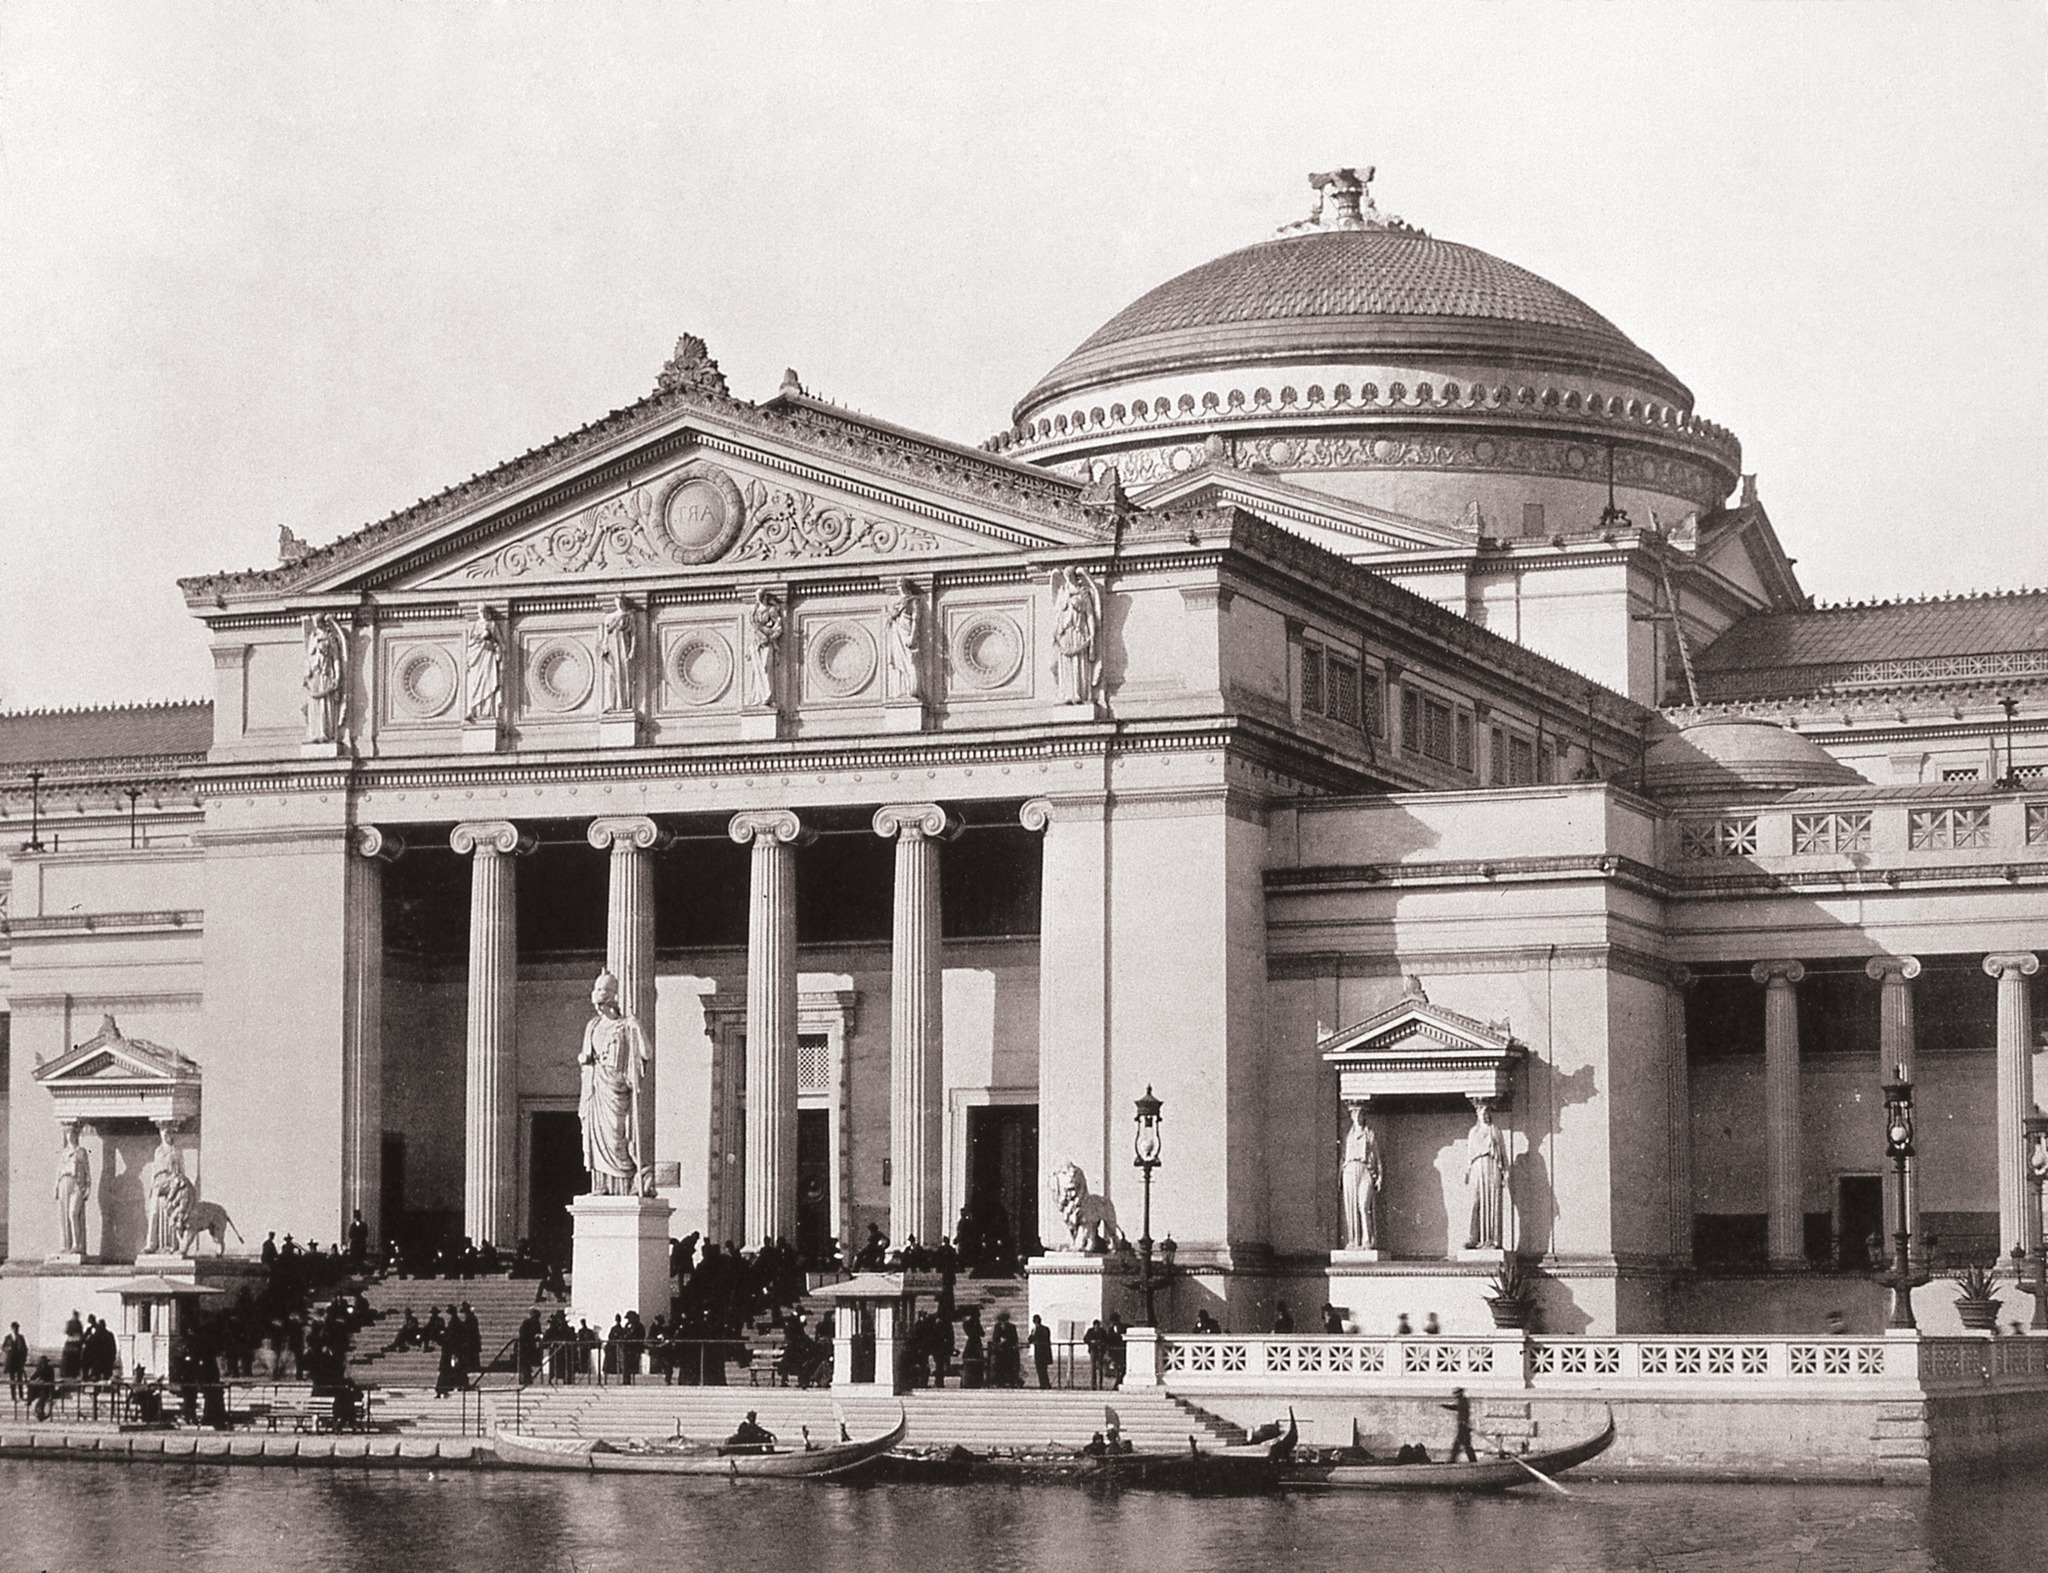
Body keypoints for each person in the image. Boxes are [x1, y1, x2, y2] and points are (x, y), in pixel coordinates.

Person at [1442, 1386, 1477, 1464]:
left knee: (1458, 1444)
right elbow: (1457, 1408)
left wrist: (1445, 1406)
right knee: (1466, 1444)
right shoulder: (1464, 1400)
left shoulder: (1463, 1401)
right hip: (1464, 1425)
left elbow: (1456, 1407)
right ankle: (1472, 1460)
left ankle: (1452, 1460)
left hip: (1463, 1426)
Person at [27, 1354, 57, 1422]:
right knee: (31, 1387)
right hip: (41, 1386)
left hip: (48, 1387)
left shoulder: (49, 1369)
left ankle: (40, 1411)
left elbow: (48, 1378)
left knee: (43, 1395)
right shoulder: (40, 1368)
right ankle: (30, 1400)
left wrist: (40, 1380)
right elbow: (34, 1375)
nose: (43, 1364)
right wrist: (34, 1380)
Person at [3, 1322, 27, 1403]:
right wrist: (8, 1349)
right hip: (11, 1361)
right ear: (11, 1328)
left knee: (20, 1379)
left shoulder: (21, 1337)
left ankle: (21, 1396)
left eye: (17, 1328)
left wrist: (24, 1359)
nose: (16, 1330)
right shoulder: (8, 1337)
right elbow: (3, 1347)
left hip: (19, 1361)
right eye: (14, 1328)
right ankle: (13, 1397)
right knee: (12, 1379)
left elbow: (25, 1349)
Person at [1028, 1314, 1053, 1390]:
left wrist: (1033, 1333)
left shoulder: (1037, 1330)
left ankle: (1043, 1384)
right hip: (1044, 1353)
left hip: (1040, 1353)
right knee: (1043, 1369)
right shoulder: (1046, 1329)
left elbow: (1031, 1339)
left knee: (1041, 1369)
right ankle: (1045, 1383)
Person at [1083, 1318, 1108, 1390]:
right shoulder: (1090, 1331)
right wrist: (1091, 1342)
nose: (1096, 1327)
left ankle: (1100, 1384)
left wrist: (1099, 1342)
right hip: (1093, 1350)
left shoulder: (1102, 1331)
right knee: (1093, 1368)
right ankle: (1093, 1384)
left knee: (1100, 1368)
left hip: (1100, 1351)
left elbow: (1105, 1340)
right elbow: (1085, 1339)